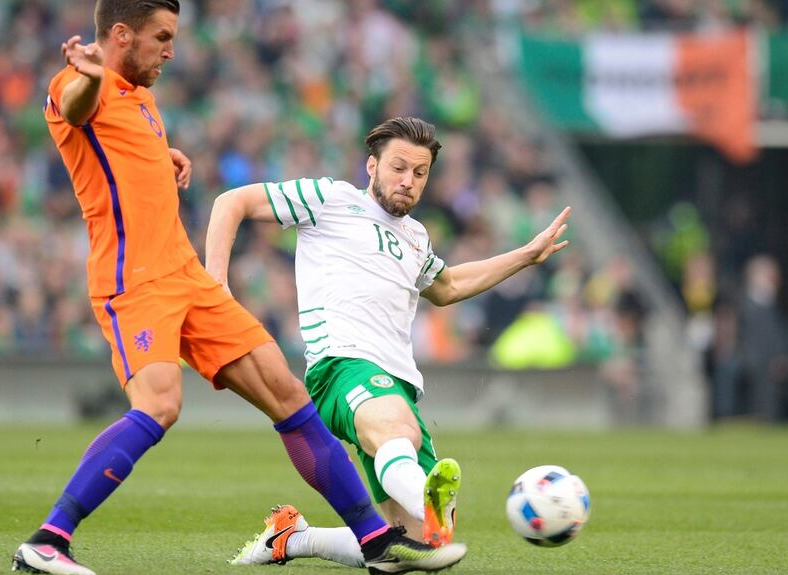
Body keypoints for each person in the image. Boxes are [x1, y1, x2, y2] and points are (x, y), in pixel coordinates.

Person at [12, 4, 466, 574]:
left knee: (288, 395)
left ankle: (377, 540)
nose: (171, 50)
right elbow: (75, 111)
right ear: (120, 35)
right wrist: (89, 74)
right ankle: (49, 540)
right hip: (135, 279)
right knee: (159, 406)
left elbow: (121, 151)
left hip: (186, 273)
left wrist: (163, 158)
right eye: (162, 37)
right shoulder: (78, 82)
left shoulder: (141, 96)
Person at [206, 117, 571, 568]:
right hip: (341, 366)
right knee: (398, 431)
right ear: (372, 166)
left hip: (397, 384)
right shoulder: (331, 199)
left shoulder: (416, 237)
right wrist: (216, 283)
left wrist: (526, 256)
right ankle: (426, 498)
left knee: (409, 549)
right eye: (399, 168)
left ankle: (293, 538)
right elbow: (231, 202)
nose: (408, 181)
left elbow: (450, 286)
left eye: (420, 173)